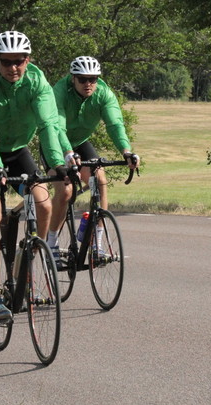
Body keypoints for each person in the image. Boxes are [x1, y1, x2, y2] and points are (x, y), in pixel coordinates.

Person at [0, 30, 75, 325]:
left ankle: (21, 272)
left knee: (44, 203)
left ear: (28, 59)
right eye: (6, 62)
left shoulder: (38, 81)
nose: (13, 68)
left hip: (17, 151)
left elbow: (48, 124)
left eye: (19, 61)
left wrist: (55, 163)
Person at [45, 56, 140, 258]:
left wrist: (126, 151)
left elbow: (115, 125)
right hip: (55, 142)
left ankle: (96, 243)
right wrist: (67, 153)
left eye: (93, 79)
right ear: (73, 78)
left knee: (100, 180)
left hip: (80, 141)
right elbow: (57, 127)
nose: (88, 83)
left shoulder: (104, 94)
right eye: (83, 79)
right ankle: (51, 242)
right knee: (66, 192)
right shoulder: (59, 92)